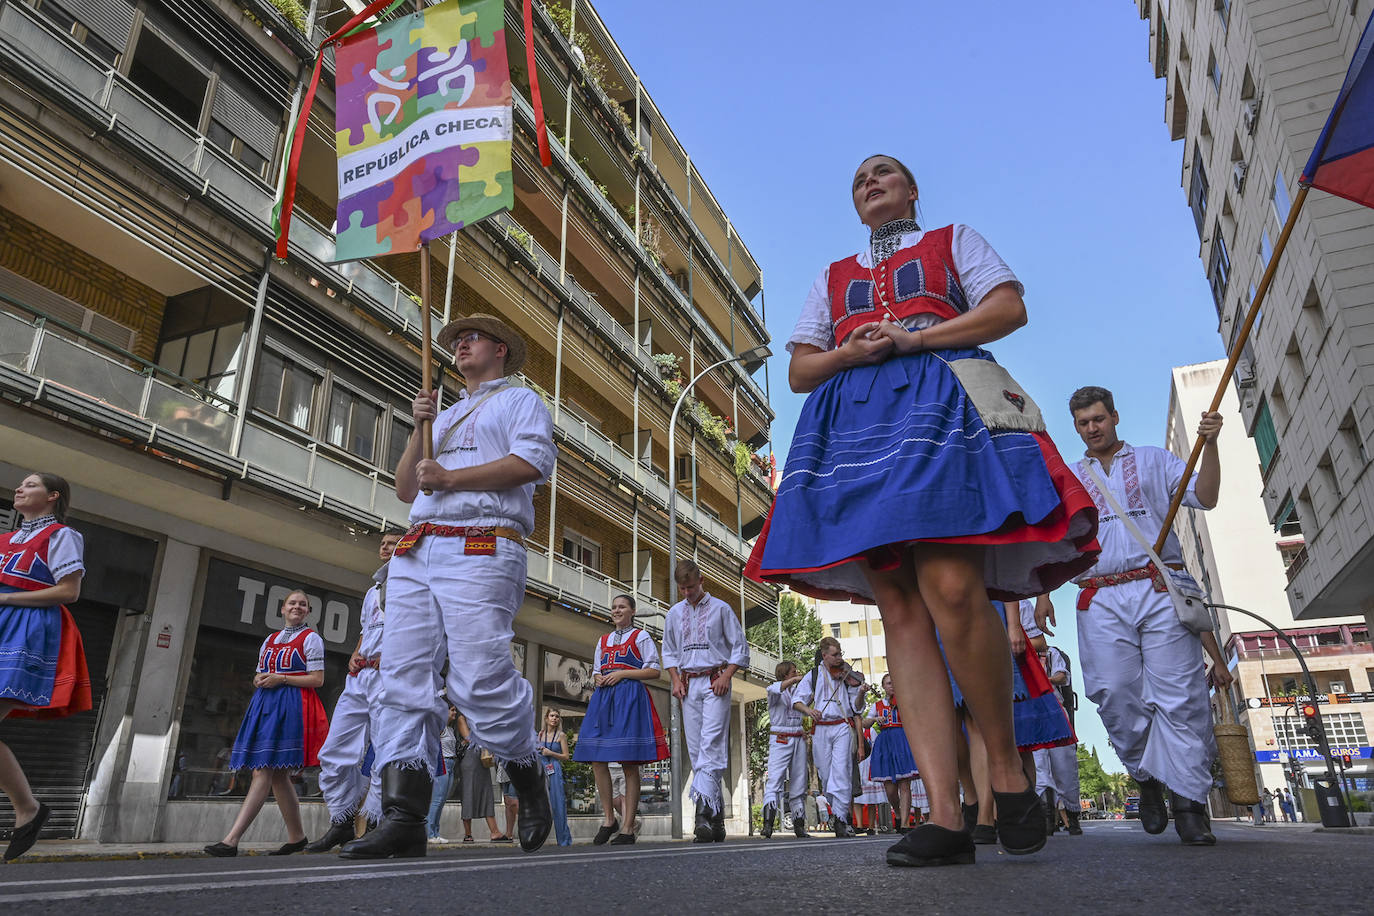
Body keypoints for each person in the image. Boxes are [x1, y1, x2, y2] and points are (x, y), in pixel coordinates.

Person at [746, 154, 1099, 867]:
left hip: (943, 403)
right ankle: (943, 814)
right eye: (858, 180)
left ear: (911, 190)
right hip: (854, 426)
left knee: (952, 587)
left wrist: (915, 338)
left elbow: (1008, 307)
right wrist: (850, 351)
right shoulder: (831, 276)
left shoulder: (953, 239)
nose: (869, 183)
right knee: (900, 607)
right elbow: (799, 369)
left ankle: (1002, 767)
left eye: (884, 173)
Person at [344, 312, 556, 858]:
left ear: (501, 349)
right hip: (419, 547)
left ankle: (529, 779)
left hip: (483, 540)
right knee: (402, 677)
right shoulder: (443, 415)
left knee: (480, 678)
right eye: (457, 341)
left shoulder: (520, 402)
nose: (461, 345)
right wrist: (420, 426)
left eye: (473, 338)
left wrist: (452, 478)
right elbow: (402, 486)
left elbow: (532, 461)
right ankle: (405, 815)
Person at [1050, 386, 1235, 847]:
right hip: (1100, 595)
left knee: (1181, 697)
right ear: (1075, 427)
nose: (1092, 428)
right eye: (1083, 423)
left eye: (1098, 419)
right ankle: (1146, 776)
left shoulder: (1155, 460)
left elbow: (1206, 496)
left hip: (1158, 586)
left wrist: (1209, 444)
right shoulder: (1070, 477)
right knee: (1113, 692)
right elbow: (1057, 541)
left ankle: (1191, 805)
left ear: (1115, 417)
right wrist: (1040, 593)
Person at [0, 472, 91, 862]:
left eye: (31, 484)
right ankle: (28, 809)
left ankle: (29, 808)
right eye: (20, 485)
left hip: (25, 629)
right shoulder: (4, 540)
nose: (20, 488)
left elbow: (69, 591)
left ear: (53, 496)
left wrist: (6, 600)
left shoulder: (62, 536)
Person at [205, 588, 328, 857]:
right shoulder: (270, 639)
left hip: (290, 705)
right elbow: (260, 672)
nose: (297, 607)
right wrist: (259, 679)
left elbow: (317, 680)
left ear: (308, 611)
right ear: (282, 609)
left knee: (263, 770)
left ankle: (231, 840)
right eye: (292, 603)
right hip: (265, 703)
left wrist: (281, 679)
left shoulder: (312, 639)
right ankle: (297, 837)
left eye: (302, 604)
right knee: (279, 775)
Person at [307, 531, 401, 853]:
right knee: (334, 751)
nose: (384, 547)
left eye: (392, 542)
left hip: (389, 678)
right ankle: (342, 821)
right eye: (383, 543)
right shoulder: (371, 592)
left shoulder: (411, 587)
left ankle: (375, 824)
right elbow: (365, 631)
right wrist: (353, 653)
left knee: (382, 754)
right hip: (360, 677)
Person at [662, 558, 749, 843]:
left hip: (715, 681)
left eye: (690, 587)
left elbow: (739, 647)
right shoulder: (674, 613)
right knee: (698, 750)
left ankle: (701, 813)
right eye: (682, 589)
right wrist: (675, 679)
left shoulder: (721, 609)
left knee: (712, 743)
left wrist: (727, 675)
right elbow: (670, 651)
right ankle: (717, 816)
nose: (686, 593)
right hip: (688, 683)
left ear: (702, 581)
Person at [572, 594, 668, 846]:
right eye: (614, 607)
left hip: (629, 697)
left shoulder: (641, 636)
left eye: (622, 607)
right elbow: (596, 670)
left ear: (632, 611)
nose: (616, 610)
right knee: (597, 757)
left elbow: (655, 670)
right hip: (604, 699)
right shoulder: (603, 640)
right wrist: (598, 678)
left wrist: (623, 673)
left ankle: (627, 826)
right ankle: (608, 819)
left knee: (628, 762)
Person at [793, 637, 867, 838]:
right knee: (826, 777)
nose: (839, 659)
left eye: (840, 654)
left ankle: (842, 819)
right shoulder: (814, 675)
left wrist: (860, 692)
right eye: (835, 655)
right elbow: (797, 701)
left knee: (842, 772)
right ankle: (839, 814)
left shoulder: (847, 676)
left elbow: (857, 707)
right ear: (824, 655)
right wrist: (809, 711)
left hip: (842, 726)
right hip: (821, 730)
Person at [864, 673, 919, 834]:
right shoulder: (878, 705)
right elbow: (865, 723)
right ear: (883, 686)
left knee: (905, 784)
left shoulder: (904, 702)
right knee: (890, 789)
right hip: (885, 744)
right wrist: (875, 719)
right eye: (888, 683)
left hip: (902, 741)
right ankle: (898, 812)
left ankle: (905, 824)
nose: (892, 685)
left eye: (894, 682)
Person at [761, 660, 810, 838]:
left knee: (799, 781)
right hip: (780, 736)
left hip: (797, 735)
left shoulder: (798, 693)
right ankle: (768, 824)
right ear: (784, 674)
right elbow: (774, 689)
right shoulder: (775, 690)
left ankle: (799, 825)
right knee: (775, 779)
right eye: (793, 672)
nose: (797, 674)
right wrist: (797, 679)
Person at [457, 712, 506, 843]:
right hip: (470, 759)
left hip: (483, 758)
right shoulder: (463, 718)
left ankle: (495, 832)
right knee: (468, 794)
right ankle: (468, 834)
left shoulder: (481, 717)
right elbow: (468, 738)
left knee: (487, 792)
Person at [538, 708, 573, 847]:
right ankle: (537, 840)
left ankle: (564, 840)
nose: (554, 718)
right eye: (552, 716)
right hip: (541, 768)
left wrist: (551, 752)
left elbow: (566, 756)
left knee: (558, 804)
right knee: (540, 804)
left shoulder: (561, 735)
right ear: (546, 718)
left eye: (557, 716)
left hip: (554, 768)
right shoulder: (540, 734)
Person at [427, 703, 461, 843]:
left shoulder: (450, 729)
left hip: (452, 764)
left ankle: (435, 832)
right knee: (437, 799)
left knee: (442, 800)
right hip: (443, 763)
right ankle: (430, 833)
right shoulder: (440, 727)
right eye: (452, 710)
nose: (454, 713)